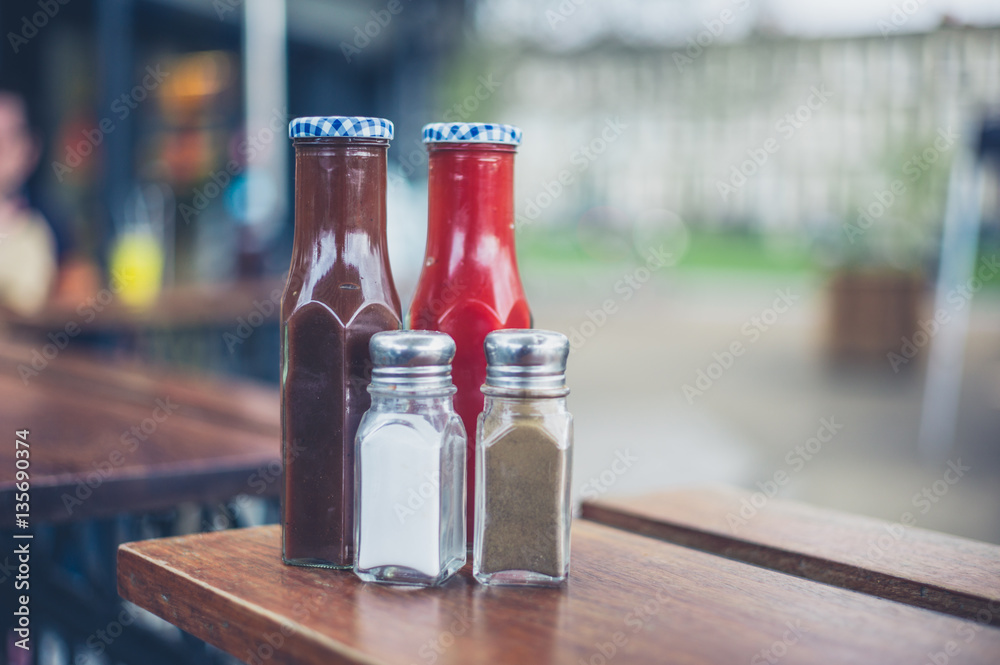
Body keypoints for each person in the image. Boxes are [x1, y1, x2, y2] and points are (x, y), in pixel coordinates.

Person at [0, 91, 57, 317]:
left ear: (31, 151)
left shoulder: (35, 234)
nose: (1, 147)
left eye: (11, 136)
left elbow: (25, 316)